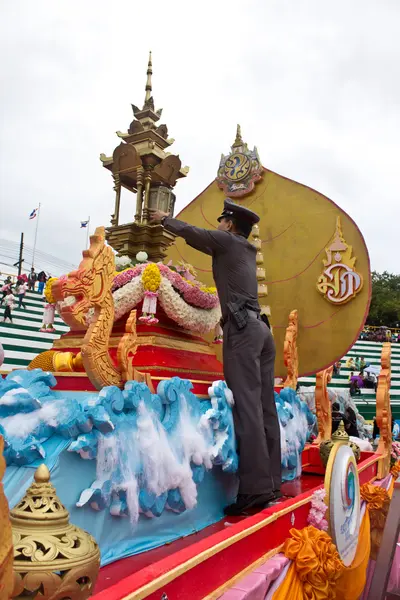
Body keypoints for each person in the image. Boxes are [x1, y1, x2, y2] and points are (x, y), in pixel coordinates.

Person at [149, 199, 281, 515]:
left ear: (230, 224)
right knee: (264, 407)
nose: (218, 225)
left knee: (247, 408)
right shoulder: (245, 250)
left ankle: (254, 492)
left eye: (222, 220)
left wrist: (165, 219)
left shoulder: (227, 241)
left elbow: (195, 234)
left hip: (242, 330)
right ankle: (272, 484)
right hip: (261, 329)